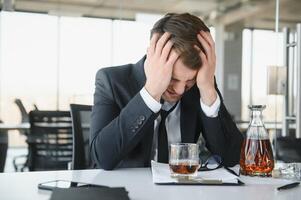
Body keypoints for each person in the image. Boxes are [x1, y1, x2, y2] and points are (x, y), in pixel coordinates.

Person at [90, 13, 243, 170]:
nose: (180, 90)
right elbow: (102, 158)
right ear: (152, 57)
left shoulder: (202, 83)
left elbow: (232, 158)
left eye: (189, 81)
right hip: (126, 191)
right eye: (173, 78)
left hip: (182, 191)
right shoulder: (111, 80)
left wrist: (208, 92)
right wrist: (151, 93)